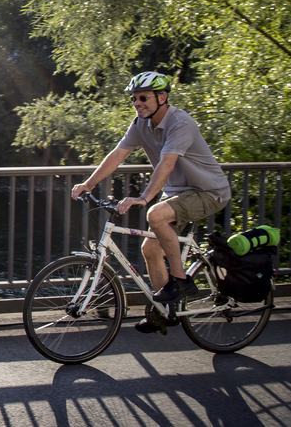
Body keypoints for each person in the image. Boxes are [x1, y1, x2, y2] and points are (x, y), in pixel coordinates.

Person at [70, 71, 231, 333]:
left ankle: (180, 281)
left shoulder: (180, 123)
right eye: (134, 99)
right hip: (179, 193)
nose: (137, 103)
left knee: (155, 214)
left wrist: (144, 198)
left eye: (143, 97)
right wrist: (89, 182)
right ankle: (164, 313)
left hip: (208, 191)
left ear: (162, 97)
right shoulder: (140, 124)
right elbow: (117, 155)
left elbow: (167, 164)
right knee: (150, 250)